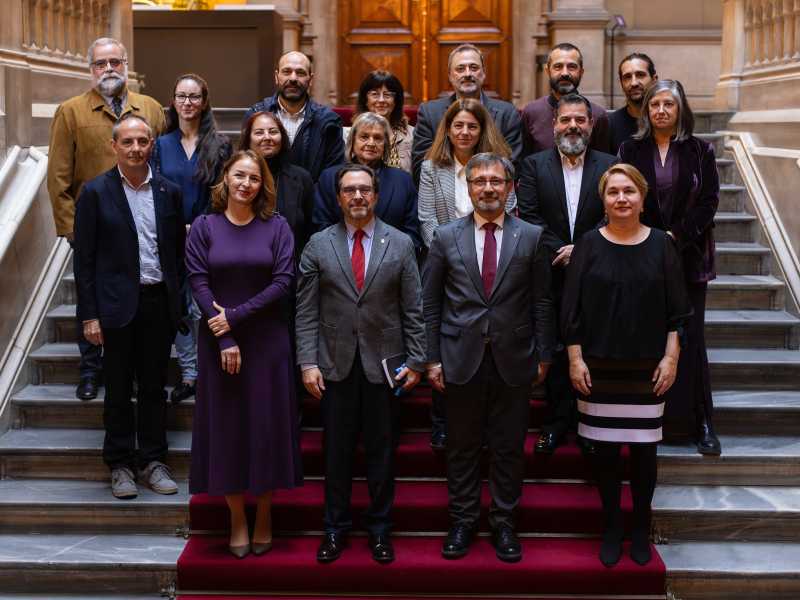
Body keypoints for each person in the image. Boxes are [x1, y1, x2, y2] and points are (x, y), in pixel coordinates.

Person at [423, 153, 555, 563]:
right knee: (461, 447)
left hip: (514, 358)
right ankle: (462, 522)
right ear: (469, 188)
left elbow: (542, 301)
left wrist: (544, 354)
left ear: (510, 187)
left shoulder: (531, 236)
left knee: (508, 446)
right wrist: (432, 358)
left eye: (496, 181)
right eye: (479, 181)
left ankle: (504, 523)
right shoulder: (446, 236)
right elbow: (430, 304)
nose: (488, 188)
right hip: (459, 357)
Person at [561, 163, 691, 567]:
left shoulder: (662, 245)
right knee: (603, 452)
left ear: (642, 197)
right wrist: (575, 359)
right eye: (613, 192)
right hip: (598, 368)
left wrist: (671, 358)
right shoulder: (587, 245)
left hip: (647, 370)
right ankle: (613, 526)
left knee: (644, 455)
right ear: (603, 200)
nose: (621, 198)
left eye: (629, 191)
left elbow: (678, 312)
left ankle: (639, 527)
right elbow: (570, 310)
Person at [296, 164, 426, 564]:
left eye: (365, 189)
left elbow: (413, 308)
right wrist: (307, 362)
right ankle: (334, 529)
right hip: (334, 365)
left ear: (376, 196)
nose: (357, 196)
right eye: (349, 190)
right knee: (336, 454)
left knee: (381, 454)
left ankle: (380, 529)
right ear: (338, 198)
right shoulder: (318, 244)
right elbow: (306, 310)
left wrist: (417, 360)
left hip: (384, 367)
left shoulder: (400, 243)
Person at [185, 150, 303, 558]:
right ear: (226, 178)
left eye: (254, 178)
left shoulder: (277, 227)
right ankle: (237, 518)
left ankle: (265, 514)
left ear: (262, 184)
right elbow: (198, 280)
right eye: (239, 175)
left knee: (265, 429)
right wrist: (224, 335)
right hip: (219, 344)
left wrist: (233, 317)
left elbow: (283, 281)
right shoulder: (205, 226)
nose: (246, 184)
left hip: (267, 341)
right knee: (228, 430)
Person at [47, 36, 166, 401]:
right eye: (101, 63)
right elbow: (58, 177)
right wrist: (72, 230)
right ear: (91, 69)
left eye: (116, 61)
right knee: (91, 298)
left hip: (143, 223)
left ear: (126, 65)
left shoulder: (150, 107)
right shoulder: (70, 111)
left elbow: (162, 166)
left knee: (134, 299)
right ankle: (90, 369)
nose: (109, 68)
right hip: (93, 229)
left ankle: (133, 369)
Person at [73, 114, 183, 500]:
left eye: (142, 141)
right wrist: (90, 315)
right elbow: (84, 261)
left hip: (157, 304)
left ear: (152, 144)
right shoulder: (95, 193)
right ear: (114, 146)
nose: (136, 148)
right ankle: (120, 464)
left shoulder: (169, 191)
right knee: (118, 390)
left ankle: (153, 461)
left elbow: (176, 254)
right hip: (114, 308)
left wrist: (178, 303)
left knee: (153, 388)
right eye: (128, 142)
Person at [618, 80, 721, 456]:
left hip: (690, 259)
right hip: (642, 258)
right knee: (649, 339)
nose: (661, 110)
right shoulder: (629, 149)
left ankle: (702, 422)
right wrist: (650, 241)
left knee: (692, 339)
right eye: (655, 104)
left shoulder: (701, 150)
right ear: (646, 110)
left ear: (680, 110)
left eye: (668, 104)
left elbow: (709, 201)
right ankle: (649, 420)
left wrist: (676, 237)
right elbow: (623, 195)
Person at [517, 93, 617, 456]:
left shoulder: (610, 164)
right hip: (551, 271)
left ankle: (589, 426)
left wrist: (582, 250)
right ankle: (556, 424)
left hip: (597, 273)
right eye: (565, 120)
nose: (572, 126)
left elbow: (612, 214)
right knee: (557, 349)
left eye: (579, 120)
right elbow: (530, 216)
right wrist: (562, 250)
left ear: (591, 124)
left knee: (592, 347)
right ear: (554, 124)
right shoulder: (533, 166)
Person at [418, 98, 516, 451]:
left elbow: (510, 207)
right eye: (458, 125)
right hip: (445, 264)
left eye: (472, 126)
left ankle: (486, 422)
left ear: (482, 129)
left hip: (491, 260)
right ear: (447, 129)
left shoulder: (499, 164)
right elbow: (427, 218)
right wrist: (453, 253)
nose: (464, 132)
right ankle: (441, 422)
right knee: (448, 342)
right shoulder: (432, 167)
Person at [152, 73, 232, 405]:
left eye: (194, 96)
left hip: (208, 237)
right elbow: (155, 190)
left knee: (206, 306)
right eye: (181, 96)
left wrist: (197, 226)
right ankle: (189, 375)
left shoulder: (220, 144)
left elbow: (224, 192)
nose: (187, 103)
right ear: (173, 101)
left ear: (204, 101)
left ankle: (210, 372)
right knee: (181, 308)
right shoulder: (160, 145)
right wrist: (175, 227)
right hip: (169, 239)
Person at [411, 44, 523, 184]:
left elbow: (513, 166)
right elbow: (420, 168)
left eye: (474, 68)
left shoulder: (507, 113)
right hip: (444, 193)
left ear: (484, 73)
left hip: (491, 192)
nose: (468, 74)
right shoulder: (430, 113)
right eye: (460, 69)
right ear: (450, 76)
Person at [314, 112, 422, 251]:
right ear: (352, 141)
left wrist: (389, 257)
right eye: (364, 137)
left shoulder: (403, 181)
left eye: (378, 138)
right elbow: (321, 226)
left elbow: (412, 231)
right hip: (338, 257)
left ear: (385, 145)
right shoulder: (329, 178)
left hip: (392, 258)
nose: (371, 143)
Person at [243, 51, 344, 182]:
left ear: (310, 79)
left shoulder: (329, 121)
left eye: (300, 73)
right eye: (287, 72)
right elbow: (246, 162)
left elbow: (332, 174)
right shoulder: (256, 115)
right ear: (276, 77)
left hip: (312, 194)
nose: (293, 78)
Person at [239, 111, 314, 257]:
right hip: (242, 260)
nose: (267, 137)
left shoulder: (301, 178)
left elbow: (310, 230)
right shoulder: (235, 176)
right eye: (259, 132)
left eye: (273, 132)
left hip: (291, 261)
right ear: (248, 139)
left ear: (282, 138)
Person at [521, 43, 610, 155]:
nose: (565, 73)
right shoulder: (531, 112)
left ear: (581, 72)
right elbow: (524, 161)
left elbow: (603, 161)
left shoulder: (598, 115)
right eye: (558, 67)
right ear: (548, 71)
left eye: (572, 67)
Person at [344, 70, 414, 173]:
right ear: (365, 100)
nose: (381, 100)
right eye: (375, 94)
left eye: (387, 95)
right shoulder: (346, 135)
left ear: (396, 101)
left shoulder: (412, 135)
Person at [608, 53, 658, 155]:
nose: (634, 83)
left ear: (654, 80)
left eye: (640, 75)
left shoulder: (666, 120)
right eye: (627, 77)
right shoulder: (609, 124)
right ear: (621, 83)